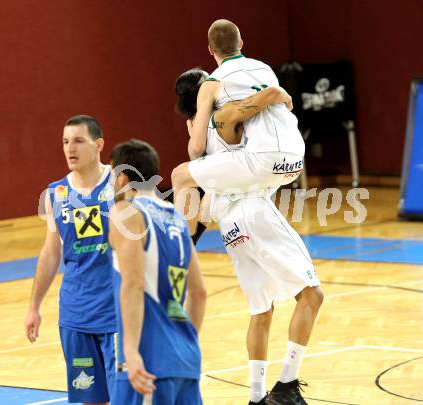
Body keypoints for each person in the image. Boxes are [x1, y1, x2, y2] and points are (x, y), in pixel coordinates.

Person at [174, 69, 324, 405]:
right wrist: (277, 95)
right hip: (251, 209)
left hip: (228, 223)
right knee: (312, 295)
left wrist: (192, 232)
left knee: (261, 310)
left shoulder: (194, 130)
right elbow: (254, 105)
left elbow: (202, 177)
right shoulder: (220, 116)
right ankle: (287, 385)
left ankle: (256, 398)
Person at [172, 18, 305, 223]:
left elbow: (197, 148)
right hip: (296, 158)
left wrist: (196, 149)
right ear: (241, 43)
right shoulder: (264, 69)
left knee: (181, 176)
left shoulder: (212, 85)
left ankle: (183, 247)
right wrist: (283, 95)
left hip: (264, 158)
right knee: (220, 193)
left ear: (210, 49)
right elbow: (274, 95)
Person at [25, 115, 116, 405]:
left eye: (78, 140)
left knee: (128, 397)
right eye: (65, 142)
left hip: (118, 312)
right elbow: (51, 253)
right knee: (92, 399)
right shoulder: (56, 193)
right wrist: (34, 307)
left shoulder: (122, 183)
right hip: (76, 314)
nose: (69, 148)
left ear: (99, 144)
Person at [109, 139, 206, 405]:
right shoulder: (176, 217)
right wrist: (185, 343)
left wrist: (130, 350)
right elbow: (199, 293)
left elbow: (133, 283)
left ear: (122, 178)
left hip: (148, 363)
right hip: (185, 359)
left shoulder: (126, 212)